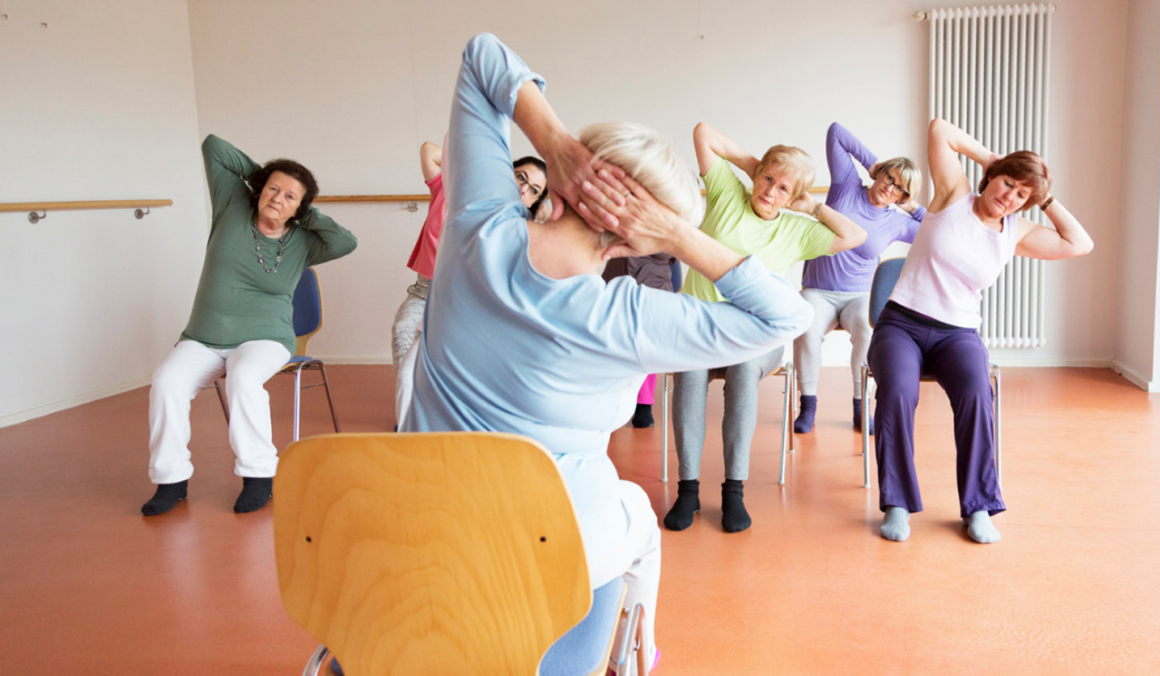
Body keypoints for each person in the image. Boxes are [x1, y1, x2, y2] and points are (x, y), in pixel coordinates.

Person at [403, 33, 812, 668]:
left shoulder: (474, 229)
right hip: (540, 574)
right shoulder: (628, 318)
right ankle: (641, 657)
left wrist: (555, 147)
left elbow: (482, 55)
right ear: (631, 240)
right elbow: (786, 315)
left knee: (629, 519)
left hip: (410, 557)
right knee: (635, 523)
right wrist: (678, 235)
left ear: (560, 182)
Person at [868, 118, 1093, 544]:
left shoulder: (1016, 232)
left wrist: (1044, 198)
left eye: (1022, 195)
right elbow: (939, 130)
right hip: (902, 323)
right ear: (993, 177)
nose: (1010, 198)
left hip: (958, 335)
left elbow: (1079, 243)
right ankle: (897, 503)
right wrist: (994, 159)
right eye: (1008, 184)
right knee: (897, 391)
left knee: (976, 394)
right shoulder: (954, 193)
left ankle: (979, 507)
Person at [664, 123, 867, 534]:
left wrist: (811, 207)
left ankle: (733, 490)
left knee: (742, 372)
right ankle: (688, 488)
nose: (770, 192)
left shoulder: (797, 229)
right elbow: (703, 132)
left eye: (782, 190)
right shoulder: (726, 193)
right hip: (700, 326)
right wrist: (757, 166)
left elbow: (856, 235)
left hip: (756, 335)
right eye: (768, 181)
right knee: (689, 374)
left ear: (794, 198)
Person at [142, 135, 357, 516]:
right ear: (258, 189)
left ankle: (259, 477)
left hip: (266, 337)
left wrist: (303, 212)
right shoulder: (232, 205)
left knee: (243, 378)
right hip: (204, 337)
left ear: (301, 208)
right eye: (272, 189)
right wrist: (266, 181)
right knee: (166, 382)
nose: (278, 198)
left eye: (290, 196)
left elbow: (347, 242)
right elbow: (213, 147)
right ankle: (170, 480)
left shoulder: (305, 241)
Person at [391, 144, 549, 426]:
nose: (524, 188)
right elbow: (430, 150)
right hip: (424, 292)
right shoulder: (455, 188)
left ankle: (442, 415)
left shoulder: (520, 225)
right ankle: (413, 417)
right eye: (521, 177)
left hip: (468, 304)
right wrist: (484, 165)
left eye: (534, 190)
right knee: (404, 341)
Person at [793, 122, 925, 435]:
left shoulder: (896, 223)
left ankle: (859, 406)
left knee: (868, 332)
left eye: (899, 188)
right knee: (806, 326)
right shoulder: (846, 186)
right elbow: (836, 132)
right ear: (879, 174)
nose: (889, 187)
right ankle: (808, 405)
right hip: (818, 291)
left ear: (903, 196)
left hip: (858, 297)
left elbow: (936, 231)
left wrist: (913, 208)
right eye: (888, 177)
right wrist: (872, 164)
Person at [601, 253, 676, 428]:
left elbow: (668, 252)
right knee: (618, 343)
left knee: (646, 342)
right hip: (620, 279)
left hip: (650, 285)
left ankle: (642, 403)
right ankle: (621, 399)